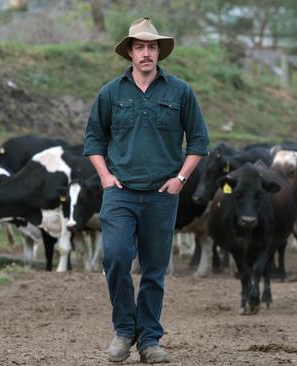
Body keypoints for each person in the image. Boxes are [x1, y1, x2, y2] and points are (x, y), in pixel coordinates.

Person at [83, 17, 209, 364]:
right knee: (116, 257)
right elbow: (94, 140)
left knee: (154, 269)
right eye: (139, 47)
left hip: (161, 194)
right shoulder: (110, 93)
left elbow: (198, 141)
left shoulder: (180, 91)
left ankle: (150, 339)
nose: (146, 53)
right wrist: (105, 176)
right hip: (120, 192)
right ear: (129, 52)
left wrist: (180, 180)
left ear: (159, 52)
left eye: (152, 47)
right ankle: (124, 330)